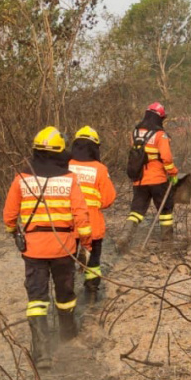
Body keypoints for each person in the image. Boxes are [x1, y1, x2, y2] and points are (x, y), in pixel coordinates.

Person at [3, 126, 92, 369]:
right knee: (65, 296)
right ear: (58, 152)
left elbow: (9, 215)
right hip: (64, 249)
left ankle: (41, 352)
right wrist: (86, 244)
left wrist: (13, 231)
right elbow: (81, 215)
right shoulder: (69, 179)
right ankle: (68, 336)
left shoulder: (22, 179)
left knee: (37, 299)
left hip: (33, 250)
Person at [118, 102, 179, 252]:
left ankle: (125, 238)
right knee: (165, 211)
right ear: (159, 118)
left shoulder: (135, 133)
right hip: (158, 179)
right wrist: (173, 173)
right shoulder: (160, 135)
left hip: (139, 180)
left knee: (136, 211)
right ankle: (167, 246)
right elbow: (166, 157)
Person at [68, 126, 116, 305]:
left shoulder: (65, 165)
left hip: (68, 226)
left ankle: (68, 295)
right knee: (93, 263)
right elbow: (109, 198)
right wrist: (95, 205)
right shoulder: (100, 169)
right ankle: (91, 295)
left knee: (67, 264)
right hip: (93, 224)